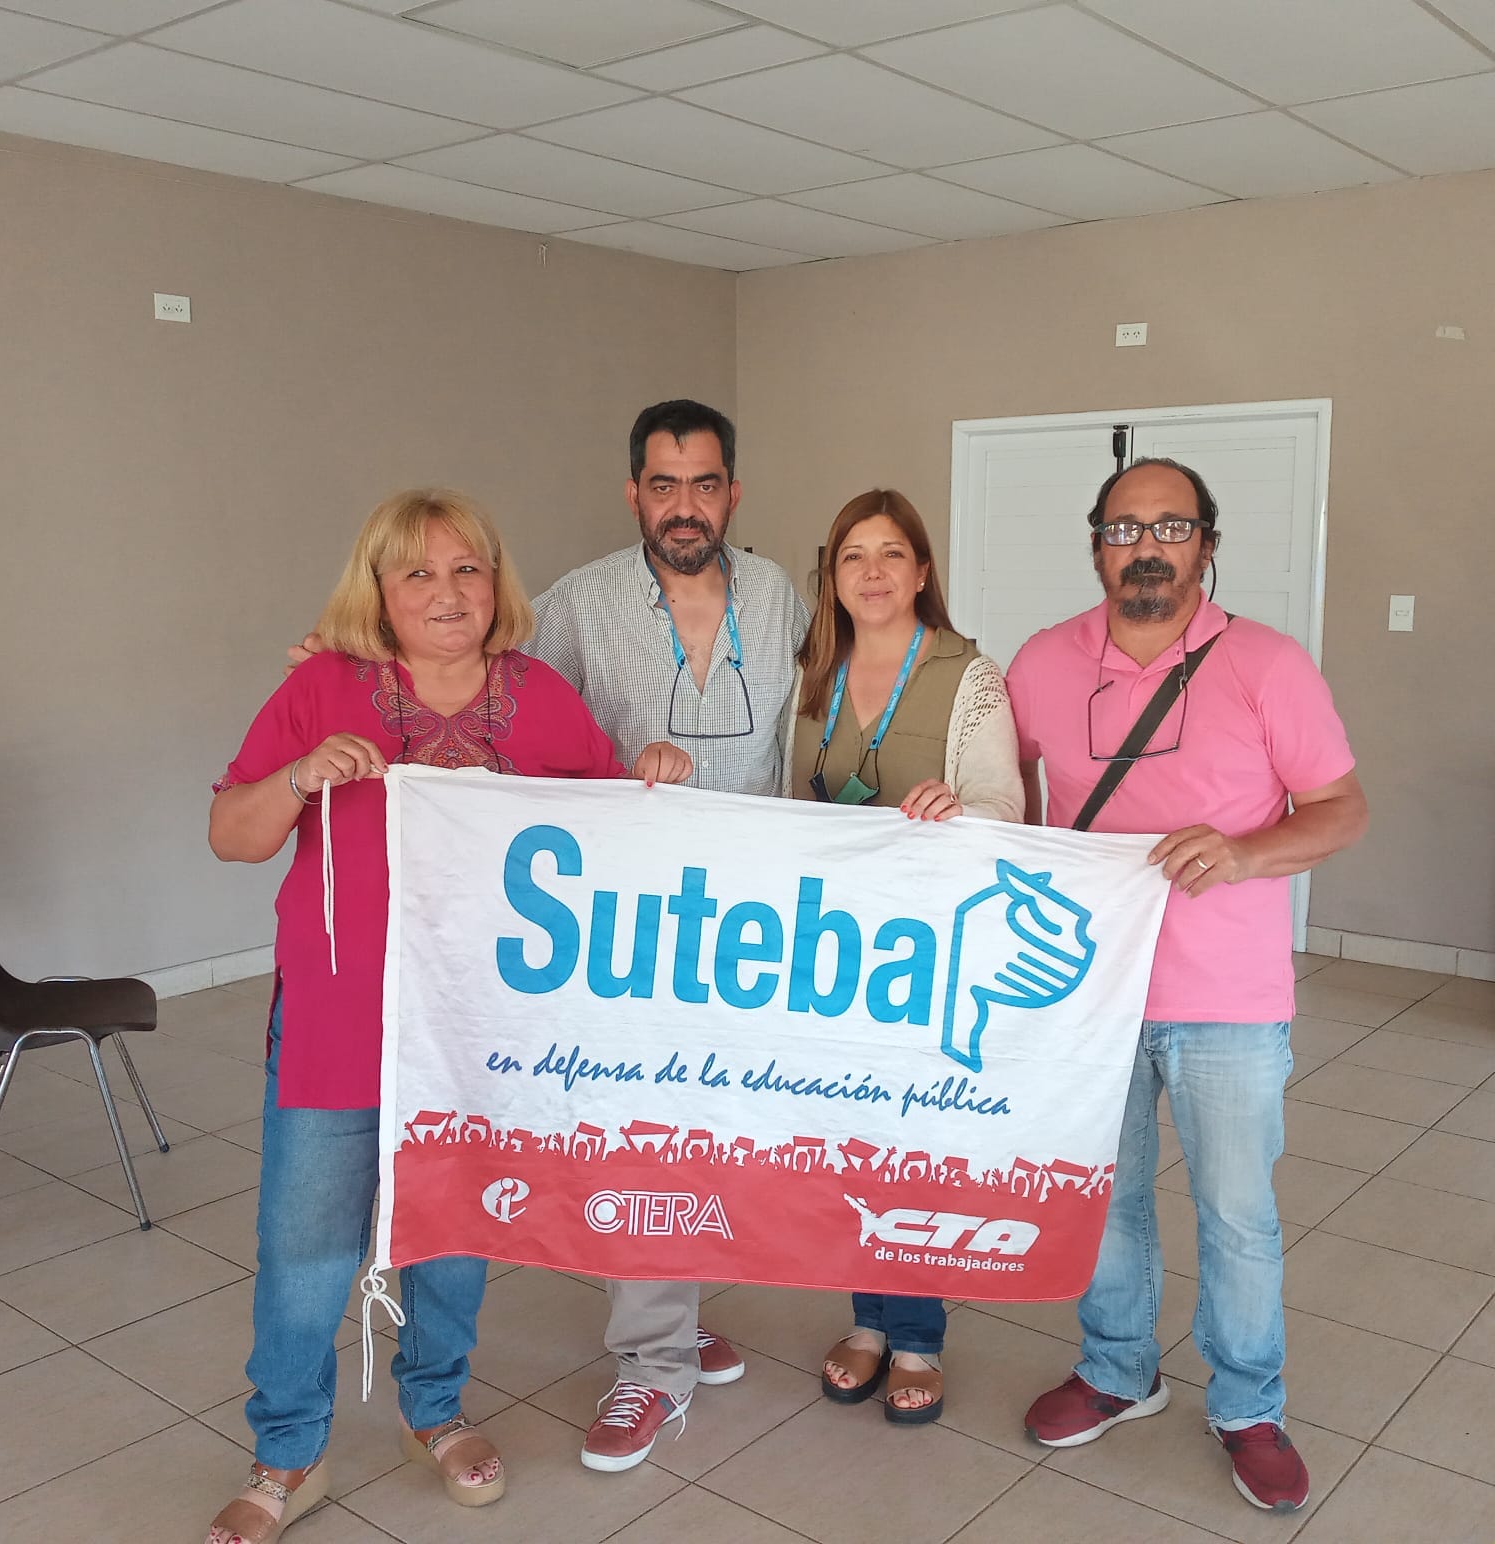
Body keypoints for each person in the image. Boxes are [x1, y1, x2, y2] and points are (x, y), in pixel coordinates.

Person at [206, 488, 691, 1544]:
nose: (447, 591)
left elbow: (613, 830)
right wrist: (297, 776)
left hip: (477, 1034)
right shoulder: (323, 687)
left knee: (454, 1235)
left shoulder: (539, 695)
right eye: (418, 572)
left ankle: (435, 1409)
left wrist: (653, 778)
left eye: (467, 568)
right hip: (338, 1024)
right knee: (304, 1251)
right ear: (377, 589)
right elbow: (231, 835)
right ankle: (287, 1450)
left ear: (495, 582)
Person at [1009, 459, 1367, 1514]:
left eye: (1170, 527)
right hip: (1089, 993)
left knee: (1236, 1213)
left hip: (1228, 999)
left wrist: (1248, 852)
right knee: (1105, 1197)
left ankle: (1248, 1405)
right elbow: (1009, 798)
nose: (1146, 548)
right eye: (1124, 529)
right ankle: (1117, 1368)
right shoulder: (1039, 662)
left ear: (1206, 544)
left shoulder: (1266, 663)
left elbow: (1341, 806)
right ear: (1096, 547)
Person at [532, 399, 810, 1472]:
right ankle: (652, 1362)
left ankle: (673, 1315)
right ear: (633, 493)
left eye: (702, 484)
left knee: (717, 1129)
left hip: (753, 924)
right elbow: (493, 694)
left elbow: (850, 692)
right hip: (632, 927)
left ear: (732, 492)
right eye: (662, 484)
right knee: (643, 1130)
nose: (682, 506)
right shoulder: (579, 601)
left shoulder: (778, 594)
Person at [784, 489, 1024, 1424]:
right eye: (853, 555)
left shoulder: (971, 677)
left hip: (925, 952)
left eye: (892, 553)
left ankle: (917, 1335)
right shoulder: (812, 672)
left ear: (922, 571)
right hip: (829, 950)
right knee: (852, 1137)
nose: (872, 572)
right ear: (832, 576)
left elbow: (1005, 805)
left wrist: (960, 810)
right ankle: (868, 1321)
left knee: (914, 1144)